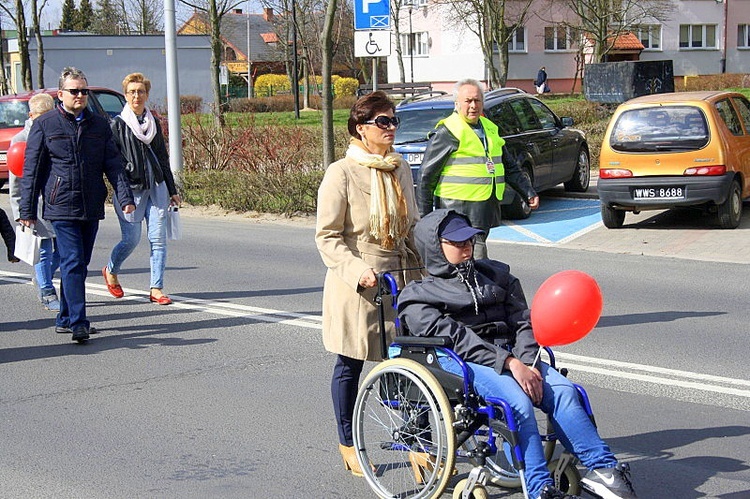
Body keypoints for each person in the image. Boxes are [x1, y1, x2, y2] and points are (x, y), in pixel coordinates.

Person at [397, 209, 637, 499]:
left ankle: (604, 471)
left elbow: (523, 320)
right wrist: (510, 364)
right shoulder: (418, 297)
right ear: (435, 248)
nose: (467, 247)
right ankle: (538, 489)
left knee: (564, 390)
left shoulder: (497, 276)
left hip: (512, 355)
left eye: (469, 241)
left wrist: (526, 361)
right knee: (516, 402)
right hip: (463, 361)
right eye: (457, 243)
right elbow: (458, 340)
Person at [315, 91, 423, 477]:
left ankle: (417, 442)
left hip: (404, 276)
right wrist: (356, 269)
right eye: (383, 122)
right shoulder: (341, 173)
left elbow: (412, 225)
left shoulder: (402, 168)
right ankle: (348, 444)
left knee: (410, 362)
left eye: (394, 120)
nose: (391, 127)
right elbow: (327, 236)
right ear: (361, 129)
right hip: (358, 284)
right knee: (350, 364)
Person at [18, 67, 135, 343]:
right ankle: (79, 323)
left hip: (91, 203)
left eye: (84, 90)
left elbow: (114, 165)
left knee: (80, 264)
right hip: (61, 205)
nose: (80, 95)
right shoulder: (45, 124)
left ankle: (64, 318)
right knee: (71, 261)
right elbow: (32, 169)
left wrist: (125, 197)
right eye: (74, 91)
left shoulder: (99, 124)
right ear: (60, 95)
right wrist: (27, 210)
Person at [418, 78, 539, 259]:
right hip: (457, 209)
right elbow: (426, 177)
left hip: (483, 208)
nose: (473, 106)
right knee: (473, 259)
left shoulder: (490, 129)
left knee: (474, 258)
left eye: (477, 101)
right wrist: (426, 219)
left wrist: (528, 192)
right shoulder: (448, 131)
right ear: (457, 104)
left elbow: (509, 166)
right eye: (468, 101)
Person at [103, 73, 181, 305]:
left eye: (141, 92)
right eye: (132, 92)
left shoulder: (153, 122)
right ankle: (110, 269)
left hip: (156, 188)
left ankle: (156, 288)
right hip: (131, 190)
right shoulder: (116, 124)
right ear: (126, 95)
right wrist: (121, 190)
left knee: (158, 239)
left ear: (147, 95)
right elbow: (113, 163)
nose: (137, 96)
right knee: (131, 239)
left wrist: (171, 187)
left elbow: (162, 157)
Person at [8, 92, 59, 310]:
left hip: (56, 201)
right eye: (40, 116)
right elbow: (16, 183)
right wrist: (20, 212)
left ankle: (41, 277)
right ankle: (47, 291)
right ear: (31, 115)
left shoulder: (56, 134)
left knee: (64, 251)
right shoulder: (20, 141)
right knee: (44, 248)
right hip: (34, 204)